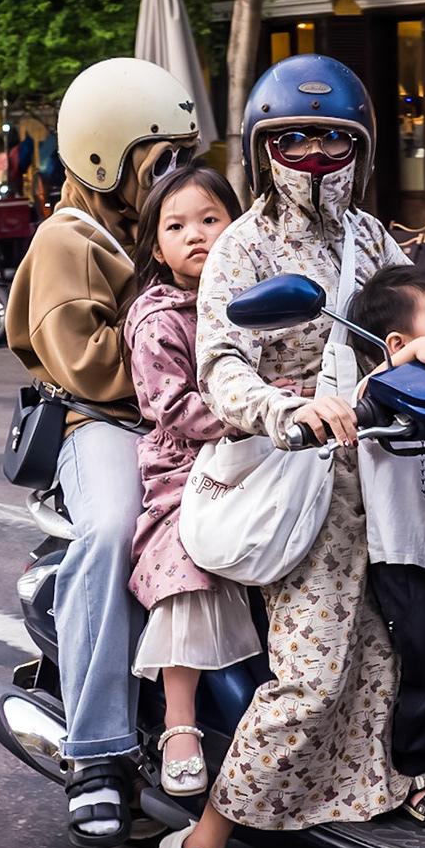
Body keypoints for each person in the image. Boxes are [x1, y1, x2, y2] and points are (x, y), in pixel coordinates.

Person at [154, 53, 425, 848]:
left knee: (418, 639)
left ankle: (390, 787)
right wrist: (287, 408)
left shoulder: (376, 240)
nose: (314, 152)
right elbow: (220, 365)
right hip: (303, 476)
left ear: (360, 146)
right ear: (264, 148)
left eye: (332, 136)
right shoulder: (244, 250)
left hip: (395, 465)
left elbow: (421, 319)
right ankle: (201, 847)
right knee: (314, 677)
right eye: (293, 137)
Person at [6, 56, 202, 848]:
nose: (177, 172)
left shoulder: (167, 222)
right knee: (113, 533)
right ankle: (99, 753)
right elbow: (84, 360)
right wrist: (180, 360)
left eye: (182, 154)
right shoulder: (70, 238)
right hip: (105, 424)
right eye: (160, 158)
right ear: (107, 157)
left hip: (189, 416)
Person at [122, 160, 260, 800]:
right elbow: (172, 407)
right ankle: (181, 724)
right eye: (178, 226)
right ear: (156, 244)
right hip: (188, 464)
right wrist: (266, 413)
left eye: (211, 219)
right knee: (186, 565)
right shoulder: (158, 318)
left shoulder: (256, 300)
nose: (197, 235)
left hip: (270, 454)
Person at [347, 264, 425, 825]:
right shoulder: (384, 388)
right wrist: (407, 358)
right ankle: (420, 765)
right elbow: (371, 390)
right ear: (400, 342)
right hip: (408, 556)